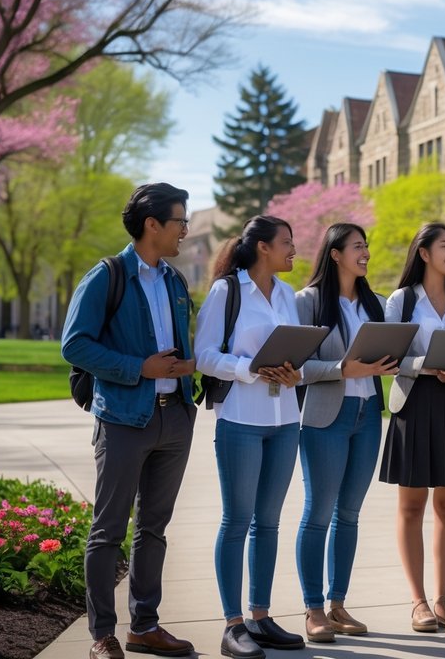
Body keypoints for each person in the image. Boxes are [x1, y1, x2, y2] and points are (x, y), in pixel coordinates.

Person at [62, 183, 197, 659]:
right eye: (180, 220)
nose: (186, 229)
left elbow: (178, 345)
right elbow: (74, 344)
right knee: (108, 530)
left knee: (154, 529)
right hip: (122, 419)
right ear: (152, 225)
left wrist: (185, 370)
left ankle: (145, 626)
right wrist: (138, 367)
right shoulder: (108, 275)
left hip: (174, 419)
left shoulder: (176, 282)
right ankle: (102, 635)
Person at [195, 215, 306, 659]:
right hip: (240, 417)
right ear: (262, 247)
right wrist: (248, 369)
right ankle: (232, 624)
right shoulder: (228, 291)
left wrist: (293, 370)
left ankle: (260, 617)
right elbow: (203, 355)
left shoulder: (286, 294)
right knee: (237, 520)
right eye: (287, 241)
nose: (294, 248)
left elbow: (293, 347)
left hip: (284, 419)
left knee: (269, 523)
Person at [378, 222, 445, 634]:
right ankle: (418, 602)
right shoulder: (401, 301)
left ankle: (442, 601)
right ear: (423, 253)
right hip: (415, 403)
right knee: (411, 507)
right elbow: (390, 359)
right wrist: (429, 366)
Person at [294, 223, 398, 643]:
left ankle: (338, 605)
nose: (366, 252)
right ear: (335, 253)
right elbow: (294, 367)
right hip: (324, 416)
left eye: (367, 245)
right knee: (319, 512)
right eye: (358, 246)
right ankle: (313, 609)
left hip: (368, 413)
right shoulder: (308, 302)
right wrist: (342, 369)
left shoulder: (378, 304)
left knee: (349, 514)